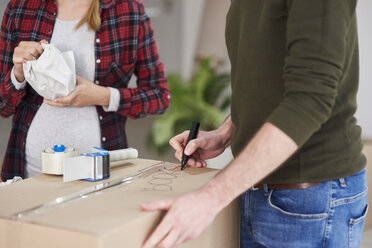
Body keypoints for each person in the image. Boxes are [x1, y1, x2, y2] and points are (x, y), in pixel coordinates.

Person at [141, 0, 368, 247]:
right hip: (257, 189)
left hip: (309, 198)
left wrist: (209, 198)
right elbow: (266, 82)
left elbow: (309, 99)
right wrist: (227, 131)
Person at [0, 0, 169, 180]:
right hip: (31, 173)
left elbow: (159, 97)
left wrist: (103, 96)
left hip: (101, 175)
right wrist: (18, 74)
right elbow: (3, 105)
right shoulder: (21, 7)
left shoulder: (129, 10)